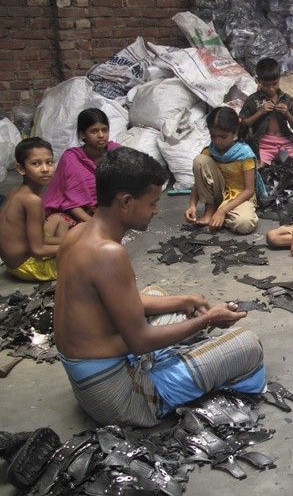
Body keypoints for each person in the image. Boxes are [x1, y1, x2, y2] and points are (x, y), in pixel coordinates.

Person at [54, 147, 266, 428]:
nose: (156, 211)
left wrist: (185, 300)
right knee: (247, 345)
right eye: (152, 203)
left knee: (165, 300)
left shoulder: (78, 234)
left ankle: (185, 352)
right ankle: (185, 380)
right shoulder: (108, 254)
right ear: (126, 201)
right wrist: (208, 319)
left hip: (87, 381)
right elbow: (139, 341)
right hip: (121, 399)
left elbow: (112, 302)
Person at [184, 107, 268, 234]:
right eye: (213, 136)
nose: (217, 141)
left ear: (235, 132)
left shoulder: (245, 154)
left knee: (244, 224)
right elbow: (199, 183)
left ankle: (220, 213)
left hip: (240, 196)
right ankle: (210, 211)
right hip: (217, 195)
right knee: (199, 160)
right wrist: (192, 205)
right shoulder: (209, 151)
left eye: (223, 136)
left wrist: (222, 211)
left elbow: (249, 190)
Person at [0, 138, 69, 281]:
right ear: (21, 169)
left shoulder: (17, 190)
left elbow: (37, 239)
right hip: (26, 266)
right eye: (36, 163)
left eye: (49, 162)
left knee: (58, 220)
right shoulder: (32, 200)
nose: (45, 169)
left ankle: (68, 247)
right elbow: (37, 250)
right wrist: (73, 246)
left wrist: (67, 242)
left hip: (13, 262)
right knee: (86, 257)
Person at [43, 108, 120, 228]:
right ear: (82, 134)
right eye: (94, 131)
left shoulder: (116, 152)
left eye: (104, 130)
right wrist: (93, 223)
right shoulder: (71, 158)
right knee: (59, 224)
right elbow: (70, 201)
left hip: (107, 208)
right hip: (74, 210)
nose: (101, 135)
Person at [239, 57, 293, 168]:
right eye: (266, 85)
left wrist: (287, 114)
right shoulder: (253, 100)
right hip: (263, 145)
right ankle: (276, 160)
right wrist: (259, 112)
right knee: (256, 168)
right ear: (258, 81)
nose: (271, 88)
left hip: (284, 143)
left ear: (279, 79)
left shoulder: (287, 99)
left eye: (274, 83)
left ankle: (282, 158)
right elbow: (242, 124)